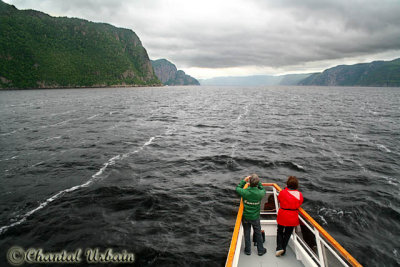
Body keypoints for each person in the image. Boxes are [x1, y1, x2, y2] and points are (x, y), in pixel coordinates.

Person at [236, 174, 267, 256]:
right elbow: (263, 189)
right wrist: (258, 182)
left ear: (249, 182)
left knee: (247, 233)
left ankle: (247, 250)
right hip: (255, 217)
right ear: (257, 183)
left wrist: (244, 180)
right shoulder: (260, 193)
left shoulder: (245, 192)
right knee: (258, 233)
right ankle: (260, 250)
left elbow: (237, 188)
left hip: (246, 216)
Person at [276, 176, 303, 257]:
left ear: (287, 184)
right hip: (293, 216)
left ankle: (279, 247)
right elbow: (299, 203)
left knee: (280, 231)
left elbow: (279, 200)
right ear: (296, 185)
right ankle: (283, 250)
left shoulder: (283, 192)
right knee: (288, 233)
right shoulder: (299, 194)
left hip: (283, 214)